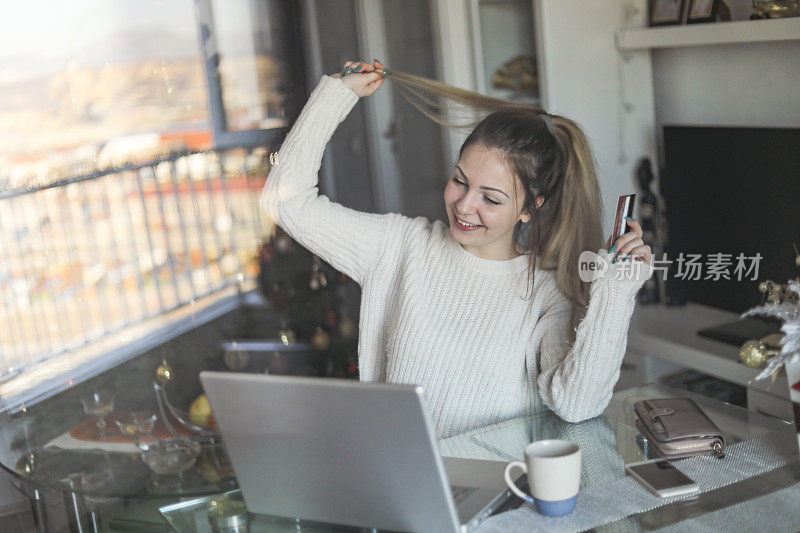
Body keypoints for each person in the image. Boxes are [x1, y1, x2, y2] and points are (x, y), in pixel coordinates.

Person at [260, 60, 652, 438]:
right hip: (406, 487)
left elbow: (577, 403)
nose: (464, 206)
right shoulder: (400, 246)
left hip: (500, 496)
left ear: (531, 208)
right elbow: (286, 203)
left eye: (491, 199)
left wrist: (615, 293)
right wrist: (335, 96)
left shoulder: (545, 294)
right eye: (460, 181)